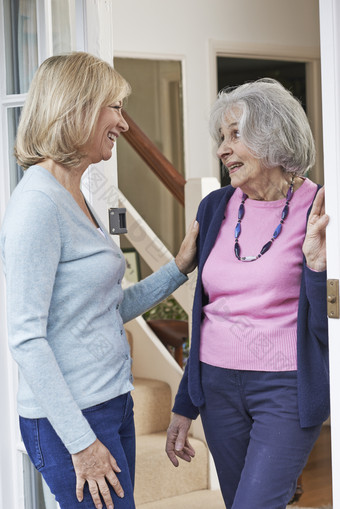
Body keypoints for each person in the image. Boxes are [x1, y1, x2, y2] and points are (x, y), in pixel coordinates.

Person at [0, 52, 198, 509]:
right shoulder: (37, 207)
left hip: (112, 401)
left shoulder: (79, 192)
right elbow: (27, 338)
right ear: (78, 108)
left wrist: (178, 268)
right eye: (115, 108)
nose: (124, 124)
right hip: (71, 420)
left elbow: (103, 308)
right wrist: (81, 444)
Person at [166, 78, 329, 509]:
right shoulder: (215, 207)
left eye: (235, 135)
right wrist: (185, 402)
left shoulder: (321, 209)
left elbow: (326, 329)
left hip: (285, 389)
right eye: (222, 137)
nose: (222, 149)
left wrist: (316, 267)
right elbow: (204, 314)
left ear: (273, 135)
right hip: (216, 386)